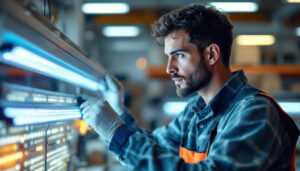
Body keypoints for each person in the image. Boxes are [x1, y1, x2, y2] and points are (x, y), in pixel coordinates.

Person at [80, 4, 299, 170]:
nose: (169, 68)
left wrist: (116, 131)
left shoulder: (254, 113)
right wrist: (118, 114)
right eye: (168, 57)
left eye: (179, 55)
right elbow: (154, 146)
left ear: (211, 54)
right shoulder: (196, 113)